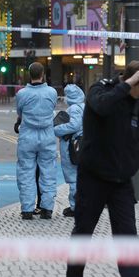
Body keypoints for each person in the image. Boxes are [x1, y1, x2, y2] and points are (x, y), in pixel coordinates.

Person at [65, 62, 139, 277]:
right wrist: (127, 85)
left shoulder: (136, 102)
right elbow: (101, 107)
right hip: (93, 177)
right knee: (84, 230)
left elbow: (135, 137)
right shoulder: (101, 90)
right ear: (130, 80)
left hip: (120, 180)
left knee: (127, 235)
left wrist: (132, 163)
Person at [15, 62, 58, 220]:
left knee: (26, 172)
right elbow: (52, 107)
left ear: (29, 75)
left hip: (28, 135)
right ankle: (47, 208)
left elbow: (20, 112)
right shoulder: (52, 92)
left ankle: (27, 209)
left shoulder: (22, 94)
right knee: (48, 171)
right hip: (47, 135)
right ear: (43, 74)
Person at [53, 84, 85, 217]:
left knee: (73, 178)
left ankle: (75, 207)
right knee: (80, 176)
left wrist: (55, 130)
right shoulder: (83, 106)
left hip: (72, 145)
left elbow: (74, 125)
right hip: (80, 144)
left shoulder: (74, 108)